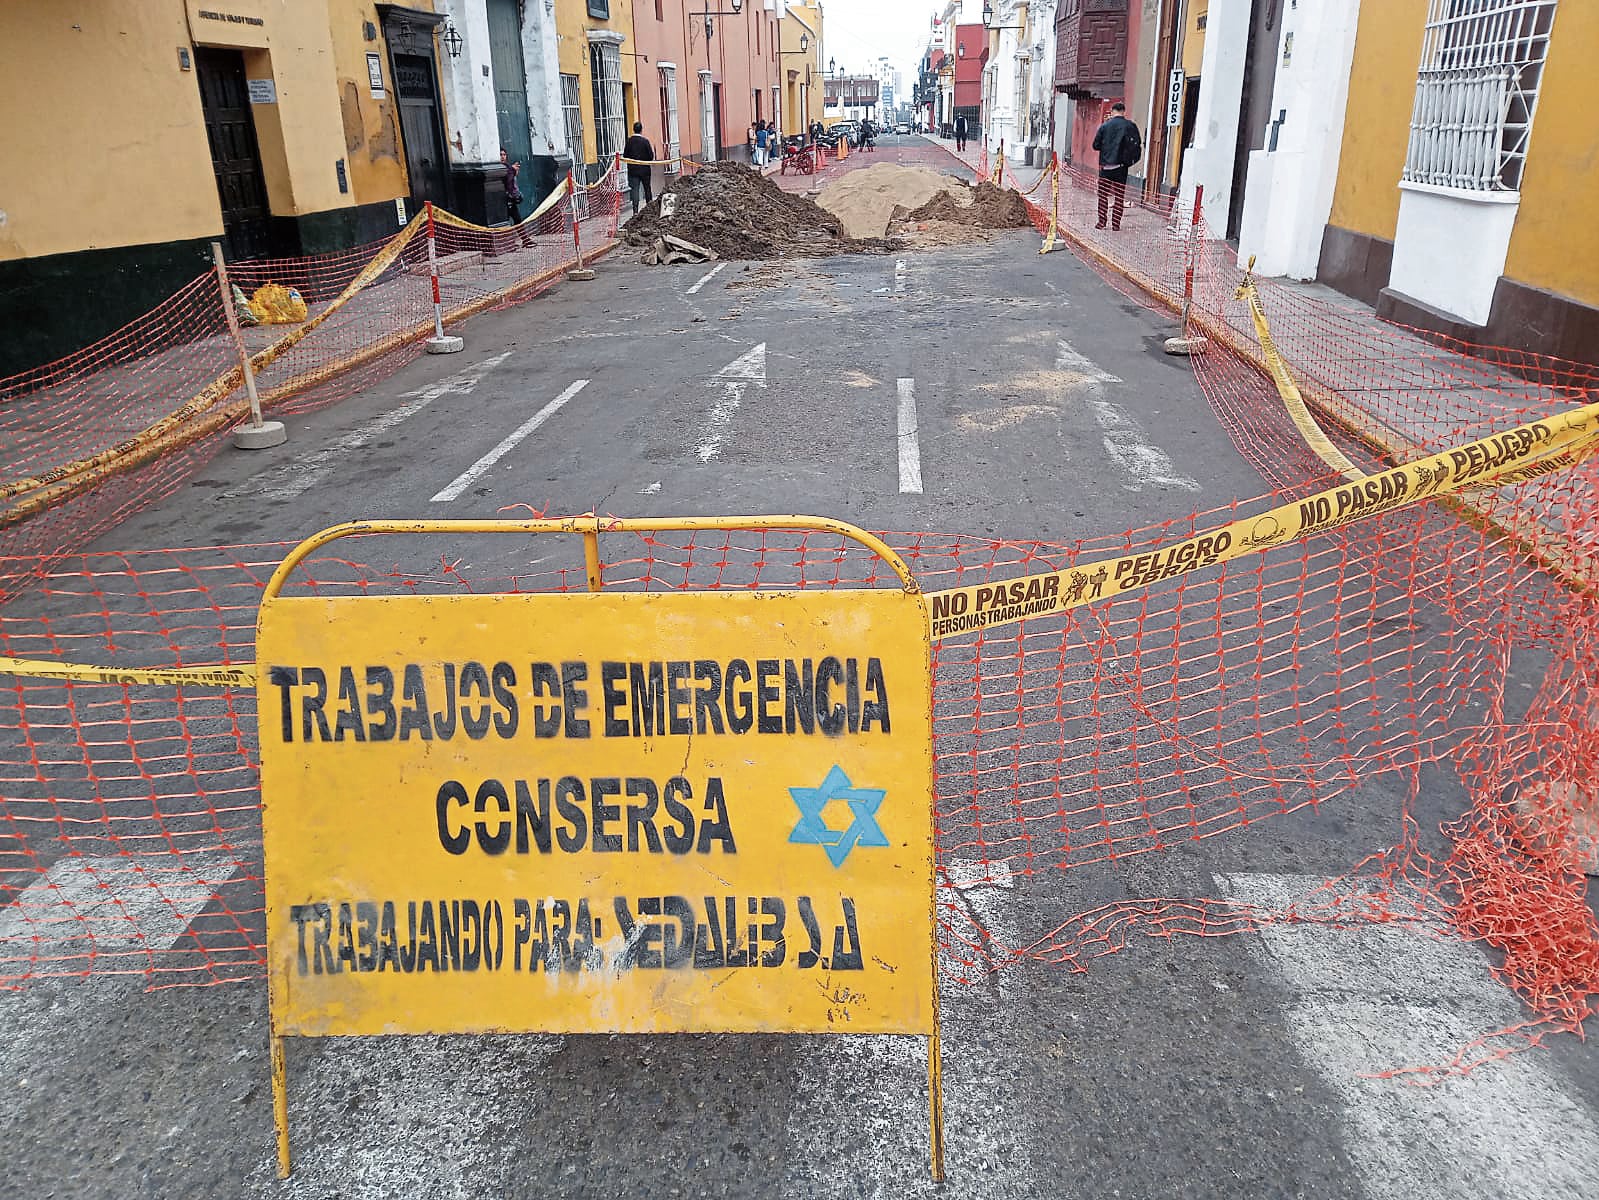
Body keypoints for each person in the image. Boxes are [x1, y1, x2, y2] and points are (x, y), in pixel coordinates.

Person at [1091, 101, 1142, 231]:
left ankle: (1102, 222)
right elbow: (1136, 145)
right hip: (1121, 167)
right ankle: (1116, 225)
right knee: (1119, 196)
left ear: (1113, 111)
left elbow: (1095, 145)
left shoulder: (1104, 126)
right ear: (1124, 111)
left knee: (1103, 196)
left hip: (1106, 167)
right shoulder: (1130, 126)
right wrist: (1129, 161)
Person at [622, 121, 655, 215]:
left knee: (634, 189)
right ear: (641, 130)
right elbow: (651, 156)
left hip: (633, 170)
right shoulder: (645, 141)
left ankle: (635, 210)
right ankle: (649, 207)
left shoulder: (629, 141)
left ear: (633, 129)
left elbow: (625, 155)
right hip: (645, 170)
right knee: (647, 188)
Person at [501, 147, 523, 224]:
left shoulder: (508, 167)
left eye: (504, 154)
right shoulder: (503, 169)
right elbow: (507, 180)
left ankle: (523, 236)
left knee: (517, 219)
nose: (503, 157)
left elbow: (512, 182)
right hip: (503, 198)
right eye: (501, 155)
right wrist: (512, 170)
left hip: (510, 198)